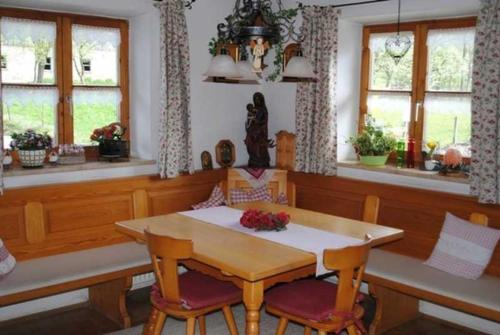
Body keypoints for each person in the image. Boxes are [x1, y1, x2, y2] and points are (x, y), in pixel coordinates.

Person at [244, 92, 274, 167]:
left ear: (261, 99)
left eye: (258, 99)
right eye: (255, 99)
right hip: (252, 131)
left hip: (260, 132)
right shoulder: (253, 109)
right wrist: (249, 123)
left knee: (260, 148)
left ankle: (261, 162)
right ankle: (253, 160)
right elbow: (249, 119)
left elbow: (264, 121)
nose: (256, 100)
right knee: (250, 145)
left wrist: (257, 122)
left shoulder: (263, 109)